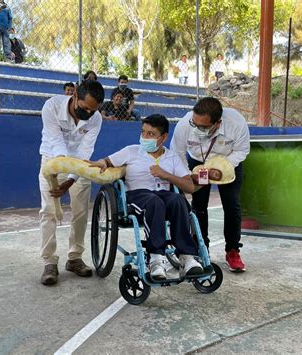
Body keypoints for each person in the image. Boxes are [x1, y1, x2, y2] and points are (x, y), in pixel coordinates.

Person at [90, 114, 203, 280]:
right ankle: (155, 259)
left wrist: (166, 176)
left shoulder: (172, 157)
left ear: (163, 137)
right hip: (137, 196)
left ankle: (187, 257)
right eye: (143, 132)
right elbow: (107, 161)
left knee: (178, 200)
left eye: (150, 134)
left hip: (163, 195)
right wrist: (102, 162)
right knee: (154, 201)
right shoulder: (132, 151)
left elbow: (189, 187)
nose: (144, 137)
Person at [170, 97, 250, 272]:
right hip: (198, 163)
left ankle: (233, 250)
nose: (198, 129)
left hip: (228, 163)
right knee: (198, 205)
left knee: (232, 205)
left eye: (204, 127)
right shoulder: (184, 125)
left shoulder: (236, 123)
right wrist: (188, 176)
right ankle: (200, 247)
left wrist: (222, 168)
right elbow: (178, 152)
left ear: (218, 123)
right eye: (195, 123)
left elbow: (242, 150)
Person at [39, 80, 105, 286]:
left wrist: (70, 180)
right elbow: (56, 142)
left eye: (93, 111)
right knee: (49, 211)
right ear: (75, 96)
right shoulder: (51, 107)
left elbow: (86, 151)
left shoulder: (96, 118)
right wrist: (61, 174)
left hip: (80, 165)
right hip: (51, 161)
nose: (88, 114)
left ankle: (75, 258)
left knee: (80, 212)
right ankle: (49, 262)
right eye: (85, 108)